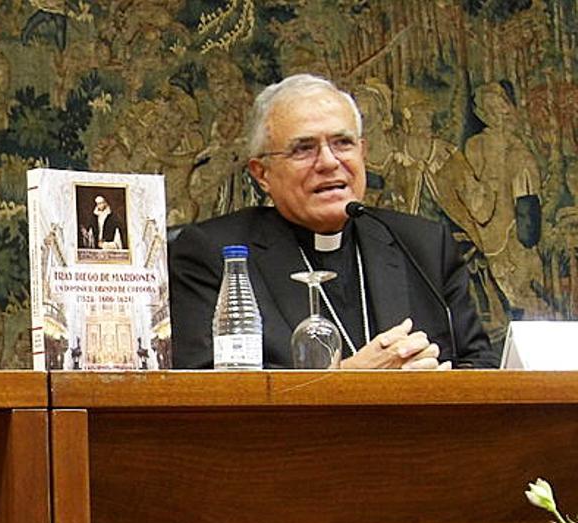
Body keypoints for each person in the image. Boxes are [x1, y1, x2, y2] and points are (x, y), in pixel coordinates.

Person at [168, 73, 498, 369]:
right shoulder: (211, 253)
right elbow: (207, 386)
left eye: (343, 143)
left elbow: (480, 364)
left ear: (362, 152)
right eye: (303, 149)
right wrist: (347, 380)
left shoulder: (424, 246)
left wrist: (439, 381)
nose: (329, 162)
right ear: (262, 173)